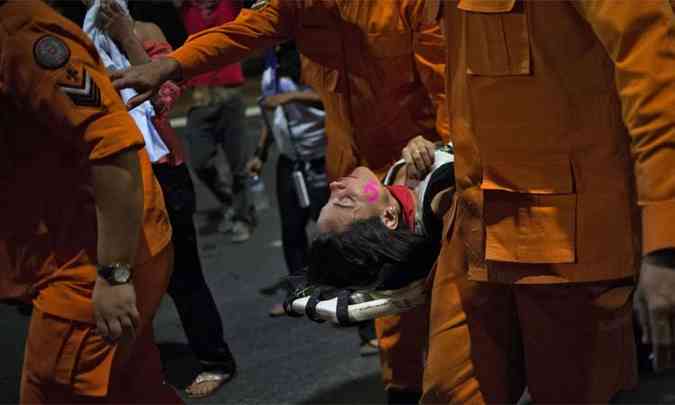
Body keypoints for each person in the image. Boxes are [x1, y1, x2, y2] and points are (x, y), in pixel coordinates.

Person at [109, 2, 448, 402]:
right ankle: (404, 391)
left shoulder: (405, 5)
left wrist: (445, 154)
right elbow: (242, 31)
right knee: (390, 311)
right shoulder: (296, 6)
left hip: (422, 168)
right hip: (359, 180)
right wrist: (172, 65)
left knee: (452, 302)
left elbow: (447, 85)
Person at [417, 1, 675, 403]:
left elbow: (655, 74)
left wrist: (664, 242)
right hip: (473, 230)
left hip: (567, 249)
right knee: (447, 391)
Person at [0, 0, 181, 403]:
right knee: (135, 391)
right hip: (87, 248)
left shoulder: (25, 35)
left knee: (55, 391)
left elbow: (113, 146)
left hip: (90, 262)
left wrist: (113, 274)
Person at [89, 0, 237, 398]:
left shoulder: (148, 32)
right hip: (116, 172)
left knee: (182, 273)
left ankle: (214, 359)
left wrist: (125, 36)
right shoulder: (79, 41)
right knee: (125, 275)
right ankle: (141, 370)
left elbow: (166, 95)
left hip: (162, 167)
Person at [247, 42, 329, 317]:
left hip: (322, 156)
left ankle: (345, 294)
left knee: (331, 227)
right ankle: (301, 294)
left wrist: (290, 97)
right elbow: (271, 118)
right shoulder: (271, 70)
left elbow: (329, 98)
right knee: (292, 230)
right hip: (290, 161)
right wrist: (260, 153)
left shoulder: (313, 59)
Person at [177, 0, 255, 243]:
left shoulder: (227, 5)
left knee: (239, 167)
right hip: (201, 100)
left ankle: (243, 218)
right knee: (199, 162)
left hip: (231, 96)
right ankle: (230, 202)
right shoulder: (187, 7)